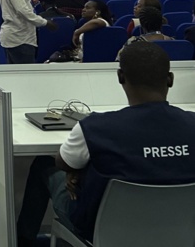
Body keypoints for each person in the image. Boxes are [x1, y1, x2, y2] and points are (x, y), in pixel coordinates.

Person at [16, 41, 195, 246]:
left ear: (120, 77)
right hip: (184, 231)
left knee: (43, 165)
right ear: (170, 79)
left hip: (100, 230)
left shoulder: (94, 128)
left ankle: (24, 241)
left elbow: (63, 162)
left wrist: (78, 172)